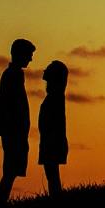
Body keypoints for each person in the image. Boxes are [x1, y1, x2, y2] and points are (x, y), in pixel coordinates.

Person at [0, 38, 36, 205]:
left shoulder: (15, 74)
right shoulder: (12, 75)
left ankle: (1, 204)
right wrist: (17, 130)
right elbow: (12, 106)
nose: (31, 59)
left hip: (15, 131)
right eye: (29, 55)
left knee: (11, 171)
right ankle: (1, 204)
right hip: (13, 132)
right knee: (10, 171)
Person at [37, 59, 69, 197]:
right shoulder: (55, 96)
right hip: (51, 140)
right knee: (52, 174)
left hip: (52, 141)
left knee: (52, 174)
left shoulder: (55, 97)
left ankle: (55, 198)